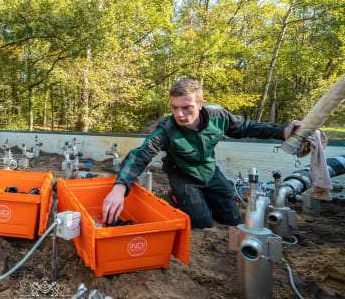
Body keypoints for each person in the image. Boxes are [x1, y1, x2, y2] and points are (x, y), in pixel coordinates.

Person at [102, 77, 301, 228]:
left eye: (186, 107)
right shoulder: (166, 128)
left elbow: (247, 127)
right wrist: (120, 187)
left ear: (200, 103)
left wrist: (281, 131)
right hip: (181, 174)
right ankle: (175, 197)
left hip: (208, 170)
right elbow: (141, 154)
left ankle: (201, 198)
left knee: (232, 219)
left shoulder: (218, 116)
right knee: (203, 222)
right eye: (174, 108)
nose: (179, 114)